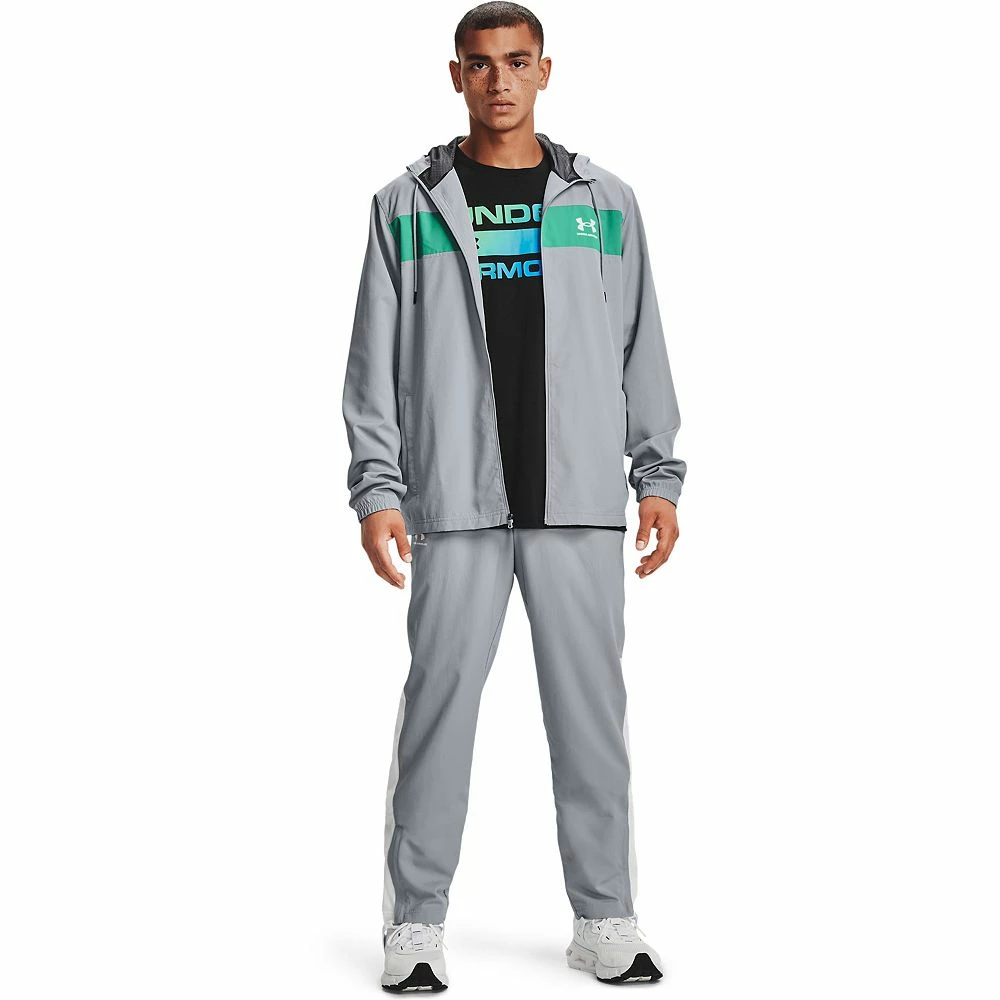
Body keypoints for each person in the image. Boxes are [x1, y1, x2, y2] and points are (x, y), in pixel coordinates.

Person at [342, 2, 686, 989]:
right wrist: (377, 488)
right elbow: (372, 361)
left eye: (518, 61)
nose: (500, 81)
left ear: (545, 71)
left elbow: (640, 343)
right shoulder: (405, 204)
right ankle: (415, 926)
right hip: (455, 498)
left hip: (576, 497)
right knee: (437, 713)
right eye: (482, 64)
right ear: (456, 75)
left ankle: (604, 917)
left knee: (592, 718)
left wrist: (656, 474)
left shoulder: (606, 201)